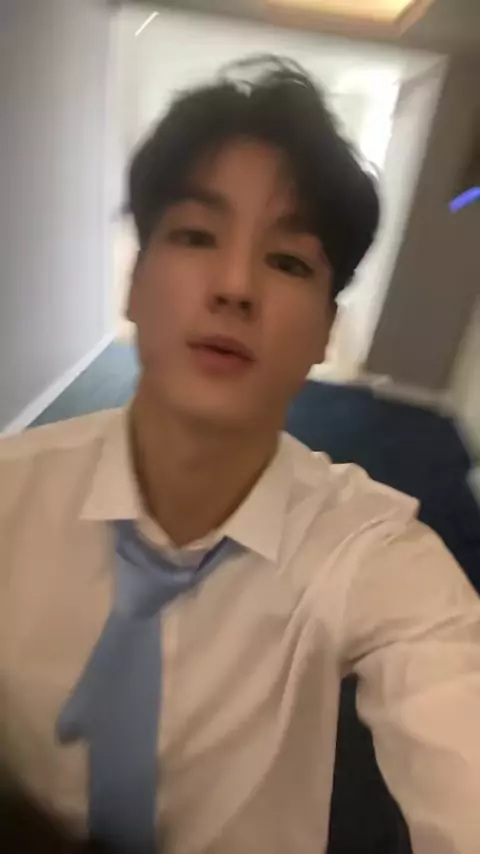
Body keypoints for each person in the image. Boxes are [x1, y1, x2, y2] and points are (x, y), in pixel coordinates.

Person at [1, 56, 479, 854]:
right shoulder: (10, 496)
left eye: (287, 261)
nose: (234, 286)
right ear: (133, 284)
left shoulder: (372, 553)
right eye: (196, 236)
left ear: (325, 333)